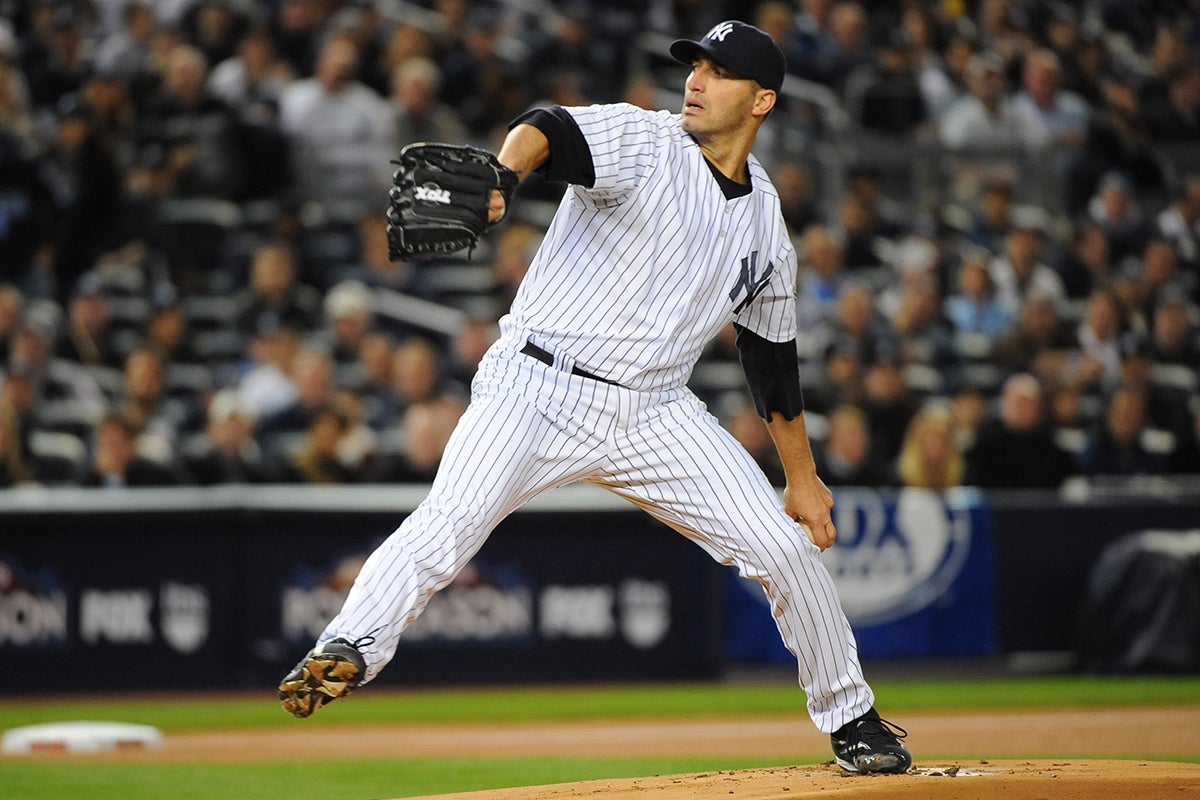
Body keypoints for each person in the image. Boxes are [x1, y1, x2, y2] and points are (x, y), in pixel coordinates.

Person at [277, 21, 912, 776]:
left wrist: (802, 478)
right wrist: (506, 178)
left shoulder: (765, 223)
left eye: (720, 71)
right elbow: (548, 126)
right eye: (696, 65)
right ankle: (346, 645)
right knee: (450, 521)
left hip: (654, 411)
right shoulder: (645, 141)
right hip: (536, 384)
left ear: (763, 101)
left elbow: (770, 355)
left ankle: (852, 718)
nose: (696, 80)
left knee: (783, 548)